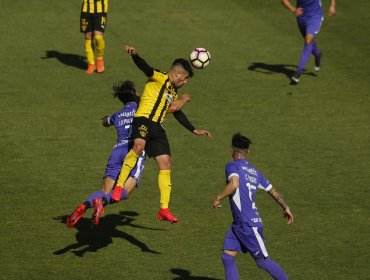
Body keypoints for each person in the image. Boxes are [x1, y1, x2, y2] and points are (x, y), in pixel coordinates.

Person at [66, 80, 191, 227]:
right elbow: (171, 108)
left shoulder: (119, 113)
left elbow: (105, 122)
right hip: (133, 151)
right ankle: (100, 204)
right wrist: (184, 99)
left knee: (105, 190)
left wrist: (105, 119)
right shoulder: (144, 108)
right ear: (134, 94)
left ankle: (84, 206)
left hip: (117, 150)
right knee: (126, 191)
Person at [111, 45, 211, 224]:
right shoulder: (159, 77)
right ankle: (118, 187)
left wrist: (193, 129)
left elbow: (177, 113)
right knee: (138, 146)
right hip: (143, 120)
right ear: (178, 74)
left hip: (158, 127)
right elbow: (145, 67)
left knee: (166, 163)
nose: (185, 82)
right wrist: (135, 55)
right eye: (186, 78)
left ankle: (164, 209)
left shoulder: (173, 91)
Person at [211, 133, 294, 280]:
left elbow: (234, 184)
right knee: (227, 256)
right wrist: (285, 206)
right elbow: (273, 192)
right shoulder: (255, 172)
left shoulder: (232, 166)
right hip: (239, 224)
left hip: (248, 224)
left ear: (232, 150)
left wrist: (218, 198)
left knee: (262, 261)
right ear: (248, 152)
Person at [281, 0, 336, 84]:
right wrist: (294, 10)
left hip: (315, 15)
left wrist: (332, 5)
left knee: (308, 40)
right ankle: (318, 54)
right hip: (301, 17)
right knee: (309, 41)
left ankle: (298, 73)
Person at [80, 0, 109, 74]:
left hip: (100, 10)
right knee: (88, 36)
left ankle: (100, 59)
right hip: (86, 10)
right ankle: (91, 64)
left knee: (98, 36)